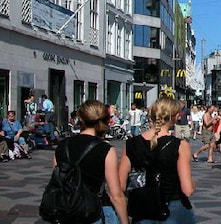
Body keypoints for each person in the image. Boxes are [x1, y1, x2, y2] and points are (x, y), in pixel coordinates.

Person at [118, 96, 195, 224]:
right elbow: (187, 189)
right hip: (173, 207)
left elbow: (121, 184)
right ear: (175, 117)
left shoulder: (131, 144)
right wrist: (193, 185)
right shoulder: (180, 145)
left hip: (143, 208)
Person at [53, 100, 128, 224]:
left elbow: (57, 179)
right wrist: (125, 221)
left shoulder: (63, 145)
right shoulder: (106, 150)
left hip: (66, 210)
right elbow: (116, 195)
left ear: (80, 118)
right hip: (93, 210)